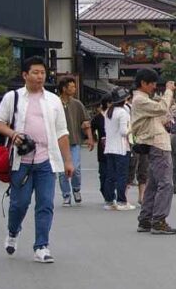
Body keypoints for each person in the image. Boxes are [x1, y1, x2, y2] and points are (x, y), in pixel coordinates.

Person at [0, 56, 75, 263]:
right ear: (25, 75)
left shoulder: (53, 100)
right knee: (20, 204)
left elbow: (62, 132)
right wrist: (13, 135)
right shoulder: (14, 98)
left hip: (46, 161)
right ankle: (13, 232)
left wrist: (67, 161)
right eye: (35, 72)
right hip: (21, 162)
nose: (39, 76)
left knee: (46, 203)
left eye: (42, 73)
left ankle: (42, 246)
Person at [130, 69, 176, 235]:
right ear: (143, 83)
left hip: (154, 142)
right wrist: (169, 91)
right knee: (166, 183)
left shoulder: (141, 100)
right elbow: (161, 107)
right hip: (158, 144)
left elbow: (161, 116)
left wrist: (169, 105)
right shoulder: (140, 100)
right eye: (152, 84)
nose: (153, 87)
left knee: (153, 184)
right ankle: (158, 220)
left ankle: (146, 219)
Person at [56, 77, 94, 206]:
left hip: (74, 141)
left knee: (76, 168)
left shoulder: (77, 104)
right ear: (64, 88)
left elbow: (86, 121)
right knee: (62, 171)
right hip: (58, 143)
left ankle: (76, 189)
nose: (74, 89)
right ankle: (66, 195)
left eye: (74, 86)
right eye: (71, 87)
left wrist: (90, 138)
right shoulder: (55, 104)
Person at [103, 88, 133, 212]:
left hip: (109, 147)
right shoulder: (123, 112)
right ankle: (122, 201)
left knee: (110, 176)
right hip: (121, 148)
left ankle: (110, 201)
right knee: (122, 175)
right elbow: (123, 132)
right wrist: (132, 127)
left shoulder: (108, 111)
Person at [91, 98, 109, 205]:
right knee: (103, 173)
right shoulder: (98, 118)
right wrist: (91, 138)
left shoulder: (115, 115)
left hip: (115, 148)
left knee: (113, 173)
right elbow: (90, 129)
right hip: (102, 149)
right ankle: (104, 190)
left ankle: (111, 195)